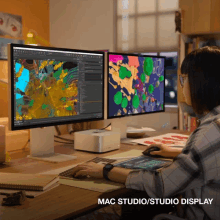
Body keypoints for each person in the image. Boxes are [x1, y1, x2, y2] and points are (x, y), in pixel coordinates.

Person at [71, 46, 220, 220]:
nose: (181, 85)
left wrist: (105, 170)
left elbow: (161, 184)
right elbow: (208, 158)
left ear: (199, 82)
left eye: (183, 79)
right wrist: (175, 152)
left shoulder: (209, 133)